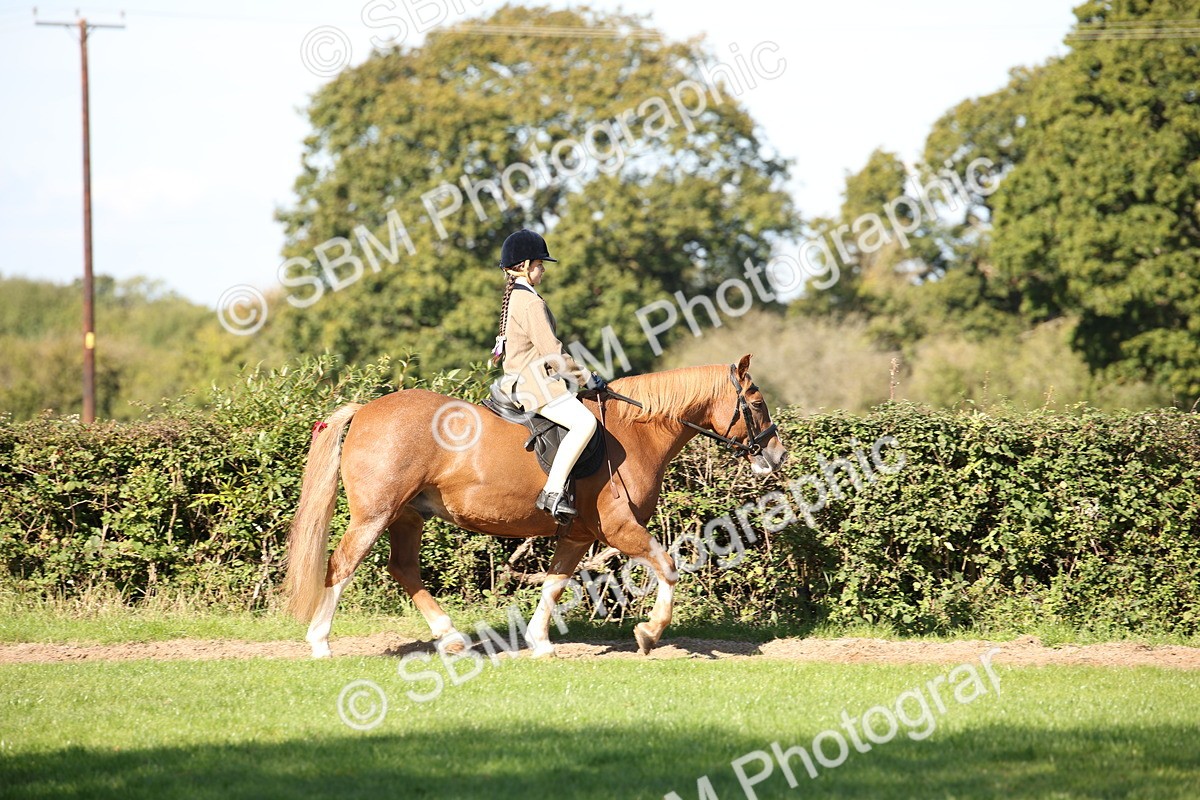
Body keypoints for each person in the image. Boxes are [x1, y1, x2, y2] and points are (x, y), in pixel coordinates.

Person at [491, 229, 607, 521]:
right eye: (540, 265)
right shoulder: (530, 302)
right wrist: (588, 379)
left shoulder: (517, 297)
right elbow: (553, 354)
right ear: (526, 265)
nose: (543, 271)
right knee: (584, 423)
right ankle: (553, 491)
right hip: (534, 384)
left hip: (520, 380)